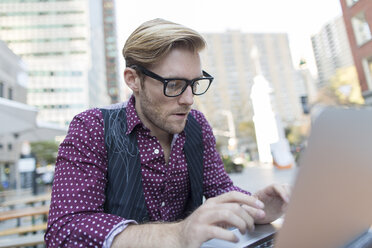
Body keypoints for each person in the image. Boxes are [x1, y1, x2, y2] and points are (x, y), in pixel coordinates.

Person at [45, 18, 290, 248]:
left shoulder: (197, 125)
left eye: (194, 83)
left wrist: (255, 208)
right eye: (173, 85)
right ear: (133, 80)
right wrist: (178, 233)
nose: (189, 99)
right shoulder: (92, 128)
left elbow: (220, 189)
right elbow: (64, 230)